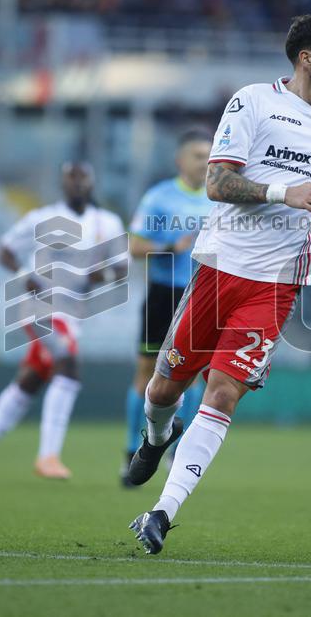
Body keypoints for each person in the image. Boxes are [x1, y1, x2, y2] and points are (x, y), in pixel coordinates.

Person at [127, 13, 311, 554]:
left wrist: (302, 201)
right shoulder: (252, 101)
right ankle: (157, 436)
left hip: (278, 280)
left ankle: (162, 512)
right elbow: (216, 182)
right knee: (163, 390)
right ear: (306, 58)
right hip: (221, 266)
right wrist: (284, 192)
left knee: (223, 391)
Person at [0, 162, 126, 483]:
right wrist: (25, 275)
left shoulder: (107, 223)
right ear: (62, 184)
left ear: (91, 183)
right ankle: (48, 456)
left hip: (72, 311)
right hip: (39, 307)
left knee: (32, 378)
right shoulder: (41, 218)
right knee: (68, 364)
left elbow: (121, 269)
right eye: (71, 178)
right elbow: (5, 250)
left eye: (82, 178)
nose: (77, 183)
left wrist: (101, 276)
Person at [121, 128, 215, 487]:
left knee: (191, 376)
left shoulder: (220, 198)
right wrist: (169, 248)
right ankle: (132, 451)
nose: (205, 162)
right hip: (163, 294)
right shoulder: (159, 198)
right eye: (198, 156)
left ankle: (177, 452)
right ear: (180, 160)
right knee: (147, 373)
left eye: (209, 156)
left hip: (202, 295)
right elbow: (134, 247)